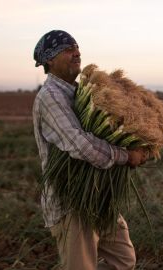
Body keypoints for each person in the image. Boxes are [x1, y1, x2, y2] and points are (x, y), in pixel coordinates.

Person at [32, 30, 147, 270]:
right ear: (49, 60)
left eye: (76, 47)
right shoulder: (50, 96)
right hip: (71, 200)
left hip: (100, 195)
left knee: (124, 261)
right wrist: (127, 156)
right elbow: (81, 144)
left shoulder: (82, 93)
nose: (76, 52)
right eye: (67, 49)